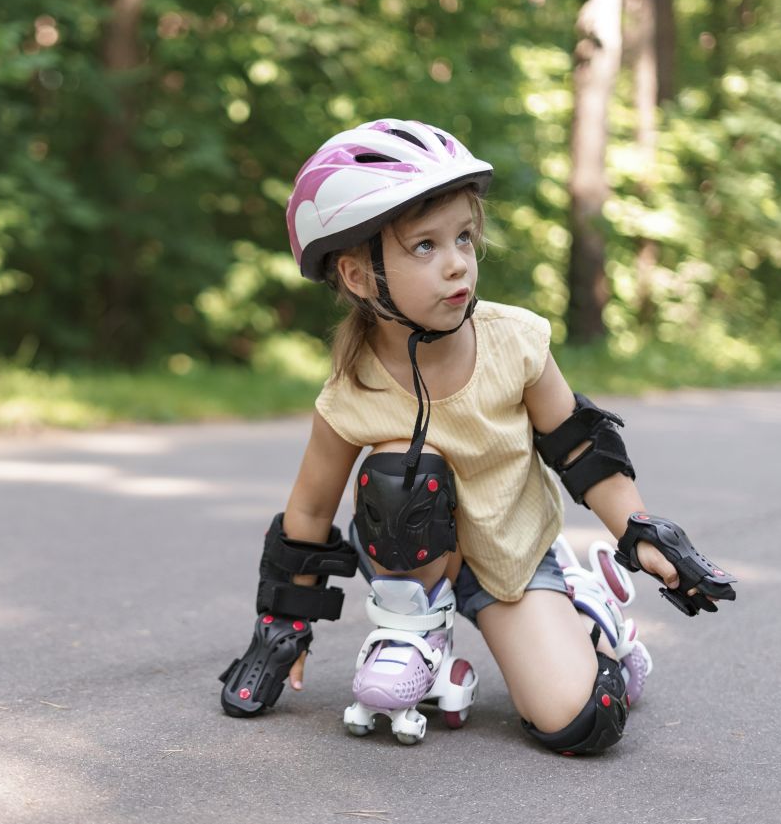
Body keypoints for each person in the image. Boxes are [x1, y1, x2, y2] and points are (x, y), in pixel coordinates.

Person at [217, 119, 736, 754]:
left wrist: (641, 533)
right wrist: (281, 628)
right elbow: (310, 509)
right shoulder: (353, 389)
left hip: (512, 555)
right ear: (357, 275)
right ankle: (413, 630)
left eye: (464, 236)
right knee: (398, 466)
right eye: (425, 247)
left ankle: (590, 612)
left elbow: (580, 448)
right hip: (413, 564)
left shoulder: (514, 341)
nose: (459, 261)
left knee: (580, 724)